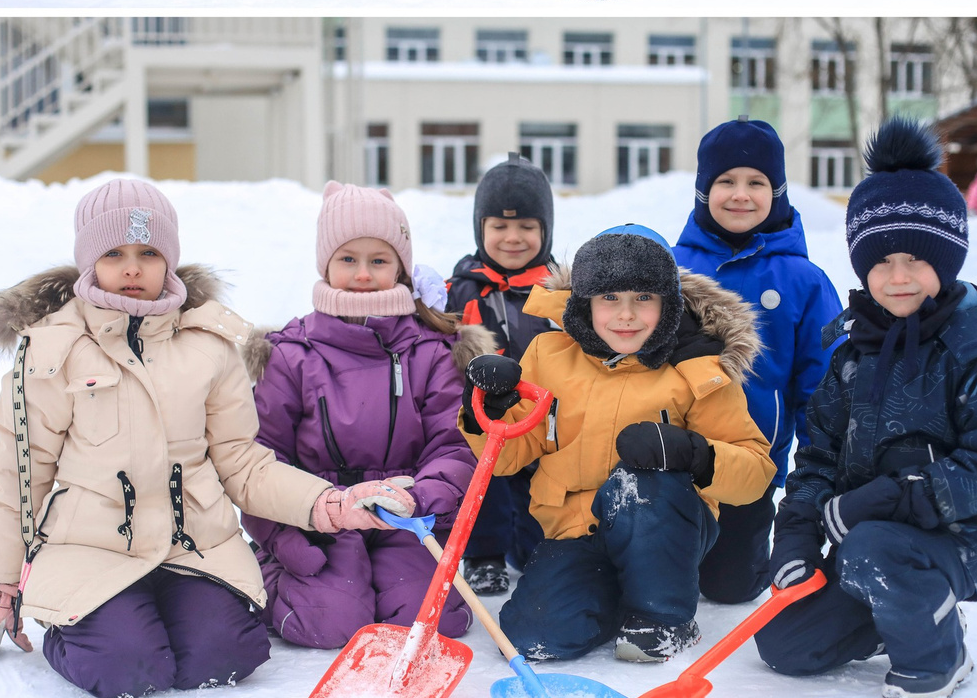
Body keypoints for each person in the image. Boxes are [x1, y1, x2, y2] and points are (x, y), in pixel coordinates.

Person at [0, 179, 411, 698]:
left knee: (227, 655)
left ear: (168, 260)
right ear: (88, 262)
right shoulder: (53, 347)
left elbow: (242, 462)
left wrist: (329, 503)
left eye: (148, 253)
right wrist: (1, 582)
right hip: (93, 546)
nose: (131, 268)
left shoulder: (208, 346)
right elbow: (19, 473)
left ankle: (160, 609)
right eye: (113, 253)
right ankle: (69, 623)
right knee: (125, 668)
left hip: (193, 544)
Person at [756, 120, 977, 698]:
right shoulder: (852, 354)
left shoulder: (974, 350)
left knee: (872, 549)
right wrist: (799, 536)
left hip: (954, 535)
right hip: (867, 538)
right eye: (880, 262)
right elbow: (818, 458)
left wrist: (892, 498)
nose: (897, 277)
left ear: (946, 259)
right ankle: (898, 610)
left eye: (914, 259)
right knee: (785, 645)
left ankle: (940, 650)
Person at [461, 224, 775, 663]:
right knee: (532, 637)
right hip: (575, 531)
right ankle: (604, 593)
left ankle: (662, 616)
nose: (626, 315)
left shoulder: (697, 368)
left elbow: (756, 472)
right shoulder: (547, 355)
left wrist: (695, 454)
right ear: (585, 302)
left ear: (668, 303)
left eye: (643, 298)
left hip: (662, 526)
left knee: (638, 483)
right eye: (609, 298)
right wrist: (489, 411)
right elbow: (509, 458)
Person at [249, 184, 480, 648]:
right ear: (326, 264)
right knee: (326, 623)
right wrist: (284, 537)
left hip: (406, 515)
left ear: (400, 267)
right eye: (348, 259)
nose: (362, 274)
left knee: (430, 622)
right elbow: (261, 460)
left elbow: (452, 445)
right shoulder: (291, 354)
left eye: (378, 260)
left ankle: (400, 573)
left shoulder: (429, 352)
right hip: (322, 516)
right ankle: (268, 578)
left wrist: (423, 498)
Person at [668, 119, 844, 604]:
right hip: (672, 458)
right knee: (659, 574)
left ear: (778, 191)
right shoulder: (671, 268)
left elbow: (822, 385)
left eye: (756, 182)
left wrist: (815, 476)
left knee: (730, 589)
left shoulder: (804, 281)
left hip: (751, 466)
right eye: (725, 181)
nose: (739, 195)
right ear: (704, 191)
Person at [444, 154, 558, 594]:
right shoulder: (460, 291)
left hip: (544, 424)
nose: (514, 238)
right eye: (499, 226)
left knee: (538, 506)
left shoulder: (560, 290)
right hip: (483, 421)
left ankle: (536, 549)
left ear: (545, 231)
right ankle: (483, 554)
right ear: (480, 228)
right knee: (483, 482)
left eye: (527, 227)